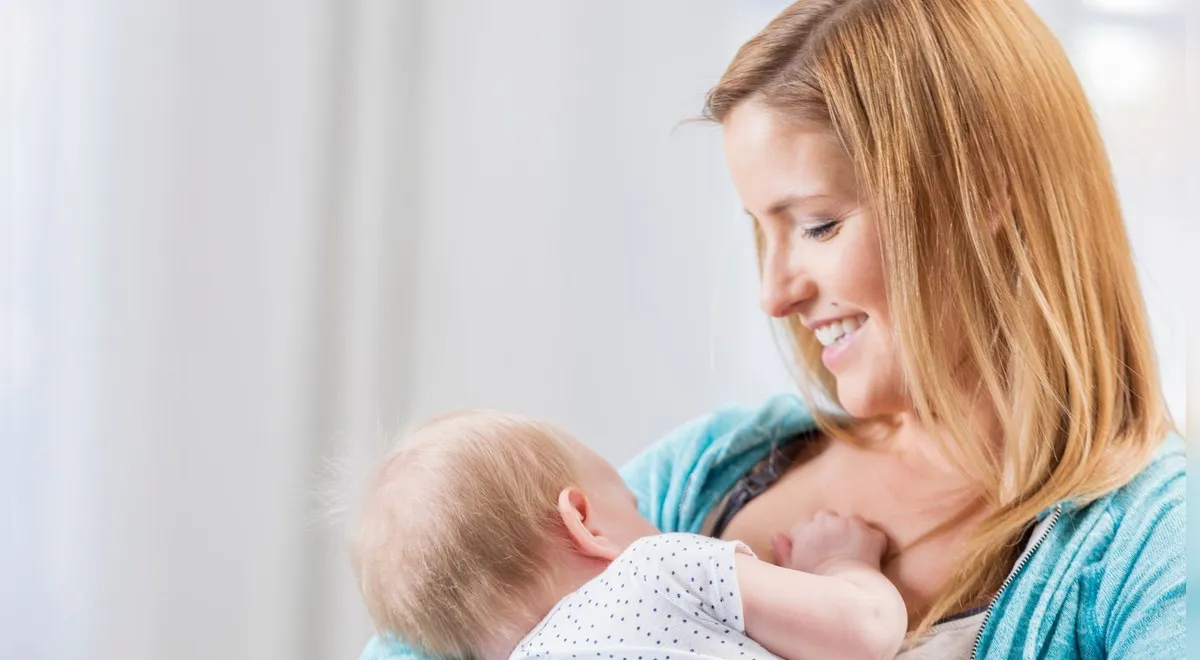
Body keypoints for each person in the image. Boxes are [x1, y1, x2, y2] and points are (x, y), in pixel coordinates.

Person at [360, 0, 1185, 658]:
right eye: (763, 229)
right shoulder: (714, 470)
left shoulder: (1152, 544)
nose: (774, 295)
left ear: (986, 191)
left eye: (818, 225)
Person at [351, 410, 907, 660]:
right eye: (634, 505)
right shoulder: (654, 568)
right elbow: (867, 630)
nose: (659, 524)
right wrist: (838, 563)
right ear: (584, 522)